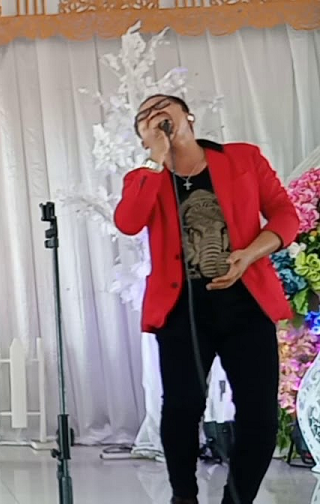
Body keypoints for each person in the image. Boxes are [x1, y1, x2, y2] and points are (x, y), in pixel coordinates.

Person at [114, 94, 298, 504]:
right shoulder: (144, 178)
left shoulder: (243, 159)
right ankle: (184, 497)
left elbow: (286, 215)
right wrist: (155, 160)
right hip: (182, 311)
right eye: (145, 116)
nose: (155, 114)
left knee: (260, 416)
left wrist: (249, 254)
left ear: (188, 116)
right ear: (143, 135)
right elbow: (128, 222)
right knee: (181, 408)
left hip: (246, 304)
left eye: (163, 106)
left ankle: (237, 500)